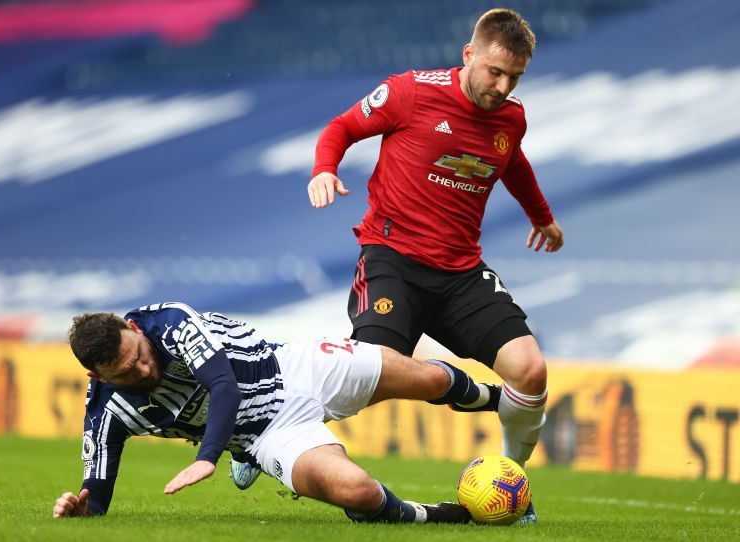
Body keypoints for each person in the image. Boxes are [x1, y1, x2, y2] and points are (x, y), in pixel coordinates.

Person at [307, 8, 563, 524]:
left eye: (515, 76)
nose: (503, 85)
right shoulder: (411, 92)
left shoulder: (511, 117)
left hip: (460, 271)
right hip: (392, 260)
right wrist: (324, 170)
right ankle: (267, 428)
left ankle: (510, 483)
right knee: (370, 375)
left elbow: (513, 162)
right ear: (469, 54)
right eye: (495, 71)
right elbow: (343, 125)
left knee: (531, 372)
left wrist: (543, 218)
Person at [52, 301, 504, 524]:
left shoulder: (167, 321)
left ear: (132, 330)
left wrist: (207, 455)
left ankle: (504, 399)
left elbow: (223, 385)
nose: (144, 367)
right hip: (267, 435)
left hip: (293, 366)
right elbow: (97, 492)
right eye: (127, 372)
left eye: (139, 354)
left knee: (428, 380)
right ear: (98, 376)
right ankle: (443, 516)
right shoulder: (107, 411)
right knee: (359, 493)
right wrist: (82, 508)